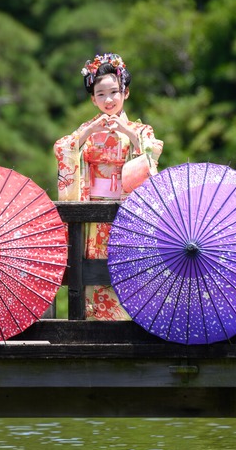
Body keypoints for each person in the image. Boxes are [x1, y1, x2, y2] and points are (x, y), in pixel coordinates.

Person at [54, 53, 163, 321]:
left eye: (114, 92)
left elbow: (151, 154)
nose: (109, 99)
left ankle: (132, 322)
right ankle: (94, 326)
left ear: (125, 93)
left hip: (127, 212)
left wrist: (127, 132)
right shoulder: (87, 130)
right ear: (93, 99)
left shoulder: (141, 130)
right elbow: (63, 149)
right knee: (94, 269)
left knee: (127, 267)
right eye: (101, 94)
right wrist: (88, 133)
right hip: (94, 214)